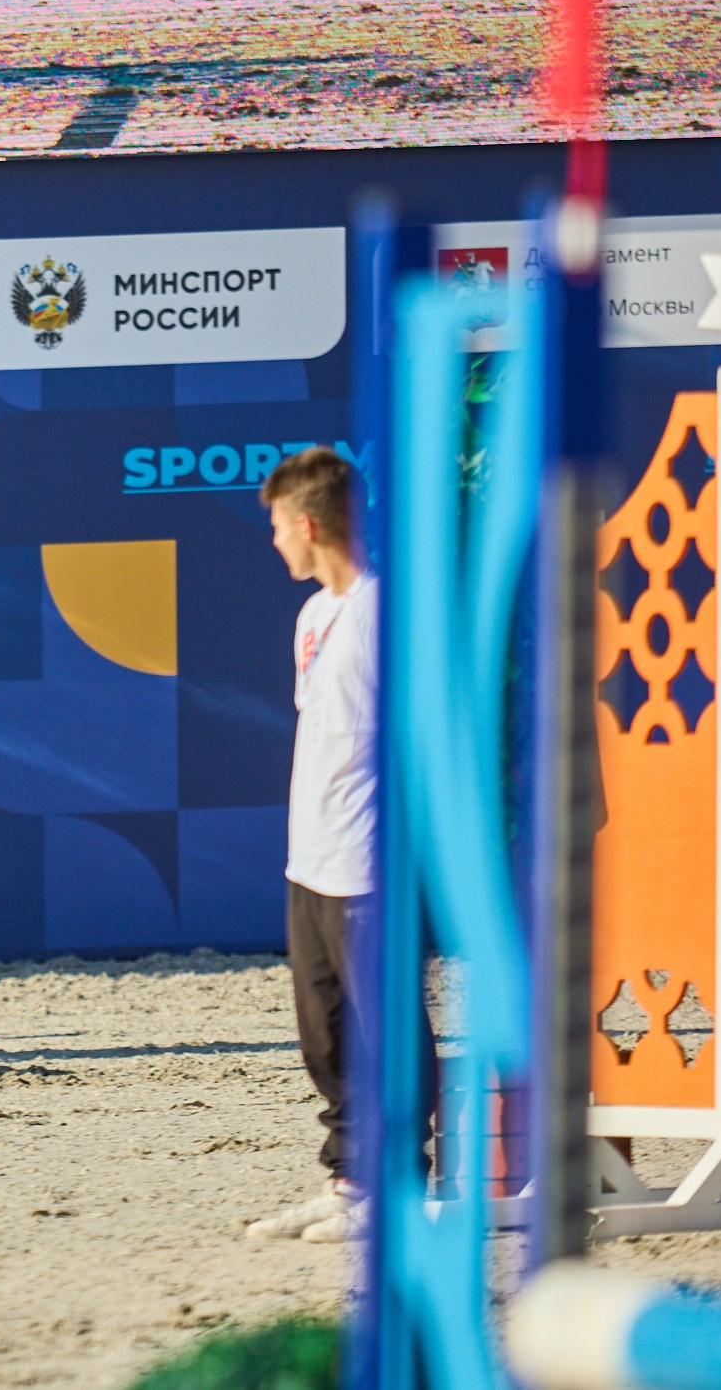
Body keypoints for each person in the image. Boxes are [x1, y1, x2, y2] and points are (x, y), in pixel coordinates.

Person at [243, 445, 424, 1245]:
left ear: (309, 524)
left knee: (384, 1025)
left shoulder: (391, 611)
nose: (273, 541)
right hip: (309, 855)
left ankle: (402, 1183)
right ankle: (352, 1180)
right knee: (326, 1034)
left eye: (278, 526)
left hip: (371, 858)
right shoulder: (313, 615)